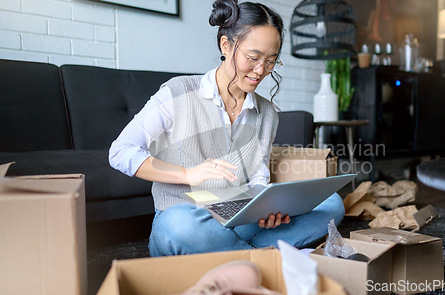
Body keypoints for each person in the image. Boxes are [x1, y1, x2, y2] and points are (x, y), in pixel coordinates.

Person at [109, 0, 345, 257]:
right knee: (178, 226)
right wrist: (188, 174)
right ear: (226, 45)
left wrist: (267, 208)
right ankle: (266, 257)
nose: (261, 71)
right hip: (189, 219)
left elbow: (257, 176)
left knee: (332, 204)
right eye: (253, 58)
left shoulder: (266, 113)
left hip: (241, 221)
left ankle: (241, 257)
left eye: (271, 61)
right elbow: (120, 152)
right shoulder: (178, 92)